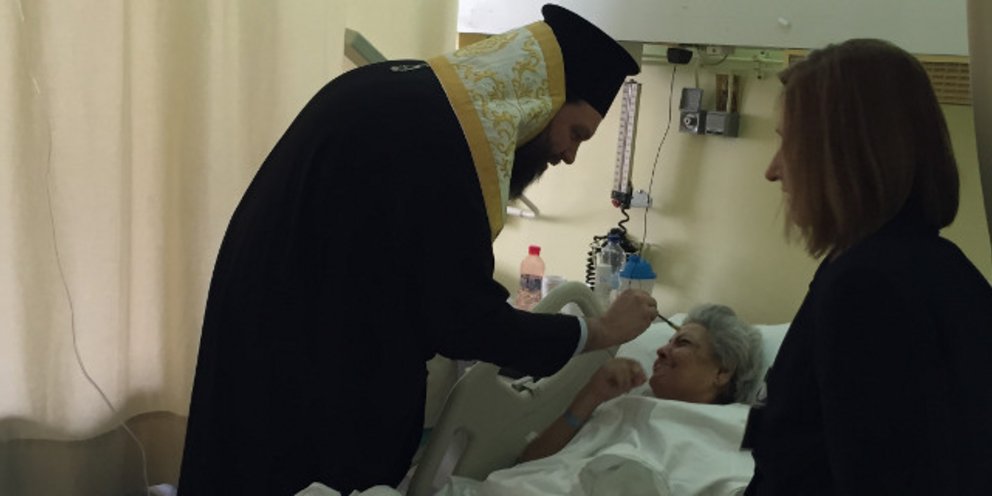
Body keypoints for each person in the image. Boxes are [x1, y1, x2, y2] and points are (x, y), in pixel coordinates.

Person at [178, 4, 657, 495]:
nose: (569, 155)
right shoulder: (443, 141)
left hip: (267, 345)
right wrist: (598, 331)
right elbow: (463, 318)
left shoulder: (400, 91)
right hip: (305, 385)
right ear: (541, 97)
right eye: (575, 133)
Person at [744, 39, 992, 495]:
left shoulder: (867, 288)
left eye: (789, 143)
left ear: (844, 153)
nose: (773, 170)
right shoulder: (939, 268)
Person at [520, 304, 763, 462]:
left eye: (683, 343)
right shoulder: (623, 406)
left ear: (722, 372)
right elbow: (528, 464)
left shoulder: (735, 428)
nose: (661, 350)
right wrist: (592, 395)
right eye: (668, 341)